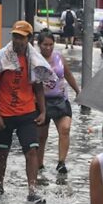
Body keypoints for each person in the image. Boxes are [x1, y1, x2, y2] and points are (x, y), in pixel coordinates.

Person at [0, 20, 47, 204]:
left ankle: (32, 191)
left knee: (31, 152)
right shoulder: (1, 59)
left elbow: (38, 88)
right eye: (15, 36)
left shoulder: (34, 60)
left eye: (21, 37)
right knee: (2, 152)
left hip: (27, 113)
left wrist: (43, 111)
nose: (17, 40)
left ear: (29, 38)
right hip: (4, 114)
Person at [36, 31, 80, 175]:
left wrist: (78, 91)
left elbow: (68, 75)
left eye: (51, 45)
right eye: (45, 45)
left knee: (65, 129)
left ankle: (61, 163)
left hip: (61, 99)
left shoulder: (59, 57)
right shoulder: (35, 60)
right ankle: (39, 164)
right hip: (42, 102)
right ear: (39, 45)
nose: (48, 48)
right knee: (42, 136)